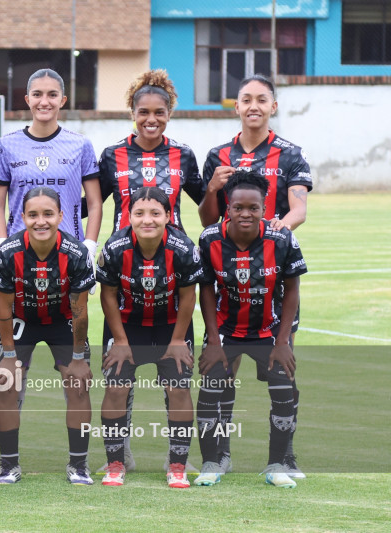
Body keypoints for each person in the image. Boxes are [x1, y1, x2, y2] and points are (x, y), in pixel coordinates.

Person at [198, 74, 313, 478]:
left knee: (281, 370)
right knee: (221, 375)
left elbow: (298, 209)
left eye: (261, 99)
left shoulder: (289, 154)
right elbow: (208, 219)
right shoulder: (217, 155)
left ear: (273, 106)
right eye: (246, 99)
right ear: (236, 106)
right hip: (229, 270)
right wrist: (212, 190)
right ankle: (219, 454)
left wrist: (277, 232)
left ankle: (284, 456)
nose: (253, 106)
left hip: (272, 272)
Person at [95, 69, 204, 474]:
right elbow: (93, 205)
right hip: (124, 269)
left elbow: (204, 206)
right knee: (120, 375)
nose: (151, 119)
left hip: (172, 267)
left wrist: (214, 190)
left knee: (175, 376)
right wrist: (90, 246)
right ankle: (118, 454)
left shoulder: (184, 155)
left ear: (170, 112)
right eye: (143, 112)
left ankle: (178, 459)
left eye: (159, 112)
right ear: (132, 112)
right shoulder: (111, 156)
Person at [195, 172, 306, 488]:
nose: (246, 214)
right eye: (238, 207)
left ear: (264, 208)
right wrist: (213, 340)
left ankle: (277, 463)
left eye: (253, 208)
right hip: (226, 330)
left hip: (269, 331)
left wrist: (283, 341)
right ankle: (214, 460)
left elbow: (292, 290)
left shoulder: (282, 238)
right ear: (227, 207)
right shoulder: (209, 240)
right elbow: (206, 291)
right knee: (210, 393)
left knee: (284, 392)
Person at [95, 187, 202, 488]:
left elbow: (188, 297)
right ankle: (117, 462)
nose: (148, 220)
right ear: (129, 217)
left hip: (171, 326)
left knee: (178, 388)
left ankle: (177, 463)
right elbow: (108, 295)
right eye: (139, 213)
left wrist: (178, 341)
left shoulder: (182, 248)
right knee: (116, 387)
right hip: (127, 326)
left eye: (156, 213)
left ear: (168, 216)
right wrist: (120, 341)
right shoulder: (115, 247)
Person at [0, 187, 96, 485]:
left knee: (78, 385)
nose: (41, 221)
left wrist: (78, 358)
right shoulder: (8, 252)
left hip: (61, 319)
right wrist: (9, 357)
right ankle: (8, 465)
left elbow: (80, 312)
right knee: (6, 383)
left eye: (48, 214)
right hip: (22, 319)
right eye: (33, 215)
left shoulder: (76, 254)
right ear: (22, 217)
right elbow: (3, 310)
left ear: (60, 216)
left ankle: (79, 465)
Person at [0, 68, 102, 257]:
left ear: (62, 100)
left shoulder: (80, 144)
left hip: (70, 251)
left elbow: (94, 202)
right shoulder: (7, 144)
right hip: (19, 251)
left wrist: (89, 246)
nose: (44, 101)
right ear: (27, 100)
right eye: (37, 94)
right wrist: (2, 243)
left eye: (52, 95)